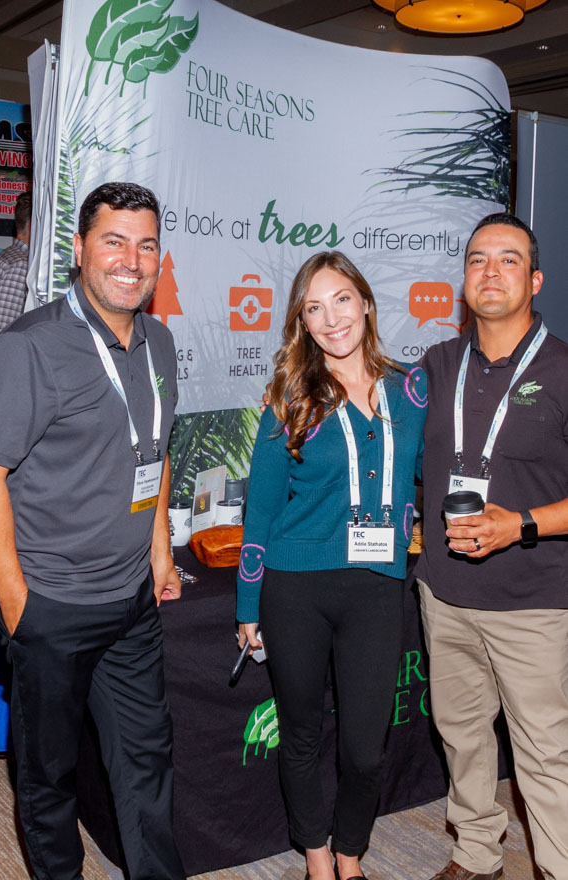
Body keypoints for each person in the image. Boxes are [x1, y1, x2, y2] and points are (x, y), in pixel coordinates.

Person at [0, 182, 185, 880]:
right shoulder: (29, 347)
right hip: (52, 604)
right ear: (78, 249)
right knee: (50, 777)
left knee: (146, 761)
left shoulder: (159, 342)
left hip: (131, 602)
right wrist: (18, 604)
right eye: (114, 241)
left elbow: (154, 450)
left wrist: (159, 553)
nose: (132, 260)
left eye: (146, 245)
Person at [237, 251, 427, 880]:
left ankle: (352, 850)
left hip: (376, 587)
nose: (331, 318)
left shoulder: (411, 391)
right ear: (303, 323)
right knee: (301, 734)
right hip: (294, 589)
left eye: (341, 299)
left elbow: (432, 473)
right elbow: (261, 512)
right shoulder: (290, 396)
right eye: (313, 308)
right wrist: (247, 607)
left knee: (365, 750)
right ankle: (320, 859)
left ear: (366, 303)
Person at [416, 213, 568, 880]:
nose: (490, 271)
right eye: (477, 259)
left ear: (534, 280)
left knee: (544, 754)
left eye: (508, 260)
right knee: (461, 735)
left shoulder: (562, 370)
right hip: (444, 593)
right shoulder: (436, 364)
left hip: (532, 602)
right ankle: (476, 854)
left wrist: (521, 523)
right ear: (464, 280)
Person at [0, 189, 32, 362]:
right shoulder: (20, 266)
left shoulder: (7, 256)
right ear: (33, 226)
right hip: (5, 365)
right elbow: (0, 336)